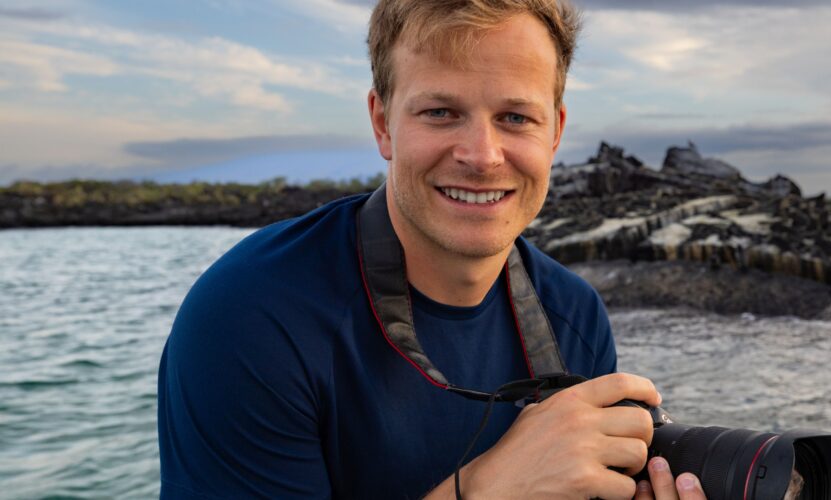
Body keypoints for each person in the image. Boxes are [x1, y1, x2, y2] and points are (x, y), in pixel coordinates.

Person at [158, 0, 707, 498]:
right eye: (441, 112)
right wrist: (490, 488)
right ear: (383, 123)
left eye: (515, 117)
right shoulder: (252, 315)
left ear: (555, 132)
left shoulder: (574, 317)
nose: (482, 155)